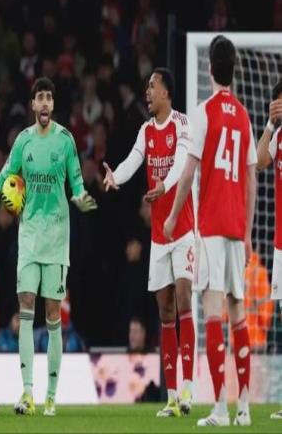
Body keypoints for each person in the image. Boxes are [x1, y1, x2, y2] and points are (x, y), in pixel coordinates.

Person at [0, 77, 97, 417]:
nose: (44, 103)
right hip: (28, 236)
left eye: (48, 98)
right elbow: (7, 172)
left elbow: (76, 181)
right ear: (32, 105)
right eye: (39, 97)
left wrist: (80, 197)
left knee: (53, 314)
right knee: (25, 306)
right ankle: (27, 392)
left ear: (52, 105)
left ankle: (51, 396)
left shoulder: (65, 140)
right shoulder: (23, 141)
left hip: (57, 238)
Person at [164, 35, 256, 427]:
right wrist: (248, 233)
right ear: (233, 70)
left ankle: (220, 408)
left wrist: (172, 216)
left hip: (214, 227)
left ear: (209, 68)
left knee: (213, 311)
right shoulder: (245, 116)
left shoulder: (204, 113)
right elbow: (251, 178)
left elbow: (187, 174)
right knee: (238, 313)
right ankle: (245, 408)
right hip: (236, 228)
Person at [103, 68, 196, 417]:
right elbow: (133, 160)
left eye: (152, 86)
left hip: (183, 229)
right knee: (165, 311)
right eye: (146, 87)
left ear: (167, 92)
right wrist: (116, 177)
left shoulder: (182, 124)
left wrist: (164, 187)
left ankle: (188, 390)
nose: (147, 92)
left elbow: (182, 164)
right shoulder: (146, 130)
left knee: (184, 300)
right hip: (158, 236)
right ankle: (171, 397)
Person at [255, 79, 282, 420]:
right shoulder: (278, 137)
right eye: (276, 102)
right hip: (280, 246)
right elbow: (259, 161)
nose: (278, 105)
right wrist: (270, 123)